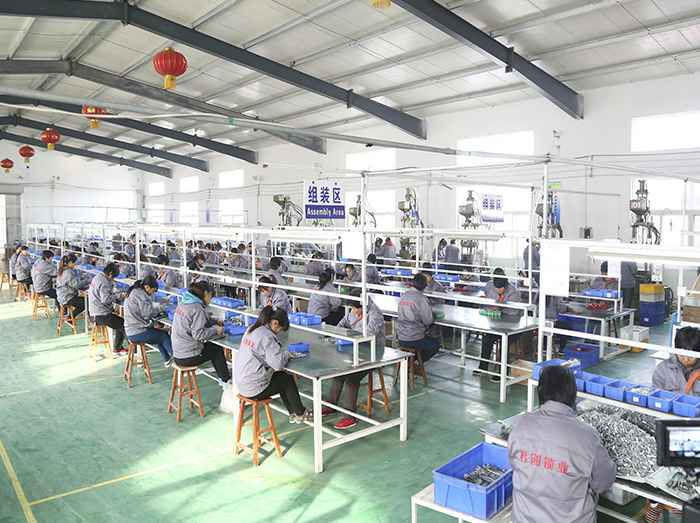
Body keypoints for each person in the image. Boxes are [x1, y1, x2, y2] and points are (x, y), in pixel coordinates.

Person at [508, 365, 616, 523]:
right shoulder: (587, 437)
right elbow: (603, 483)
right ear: (573, 395)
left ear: (540, 392)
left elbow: (514, 464)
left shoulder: (520, 424)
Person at [323, 288, 386, 429]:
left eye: (356, 309)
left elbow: (368, 335)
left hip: (373, 352)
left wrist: (350, 334)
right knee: (338, 371)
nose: (354, 312)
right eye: (352, 309)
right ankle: (331, 405)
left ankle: (350, 417)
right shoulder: (354, 310)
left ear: (363, 305)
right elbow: (342, 323)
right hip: (355, 350)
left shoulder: (375, 314)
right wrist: (335, 333)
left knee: (352, 378)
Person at [234, 306, 311, 423]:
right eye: (280, 329)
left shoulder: (252, 329)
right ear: (275, 323)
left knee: (281, 377)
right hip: (253, 388)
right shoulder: (267, 336)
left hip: (241, 384)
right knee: (286, 379)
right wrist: (287, 354)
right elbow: (278, 364)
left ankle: (293, 413)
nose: (279, 332)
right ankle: (300, 412)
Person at [171, 281, 230, 382]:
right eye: (210, 297)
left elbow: (196, 320)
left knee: (211, 347)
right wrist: (215, 329)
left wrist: (214, 321)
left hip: (177, 353)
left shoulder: (184, 302)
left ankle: (223, 377)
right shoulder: (197, 308)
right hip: (188, 356)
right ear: (206, 293)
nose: (210, 300)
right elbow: (199, 335)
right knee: (216, 349)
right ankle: (226, 380)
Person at [475, 268, 523, 382]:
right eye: (496, 287)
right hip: (495, 323)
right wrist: (485, 304)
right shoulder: (489, 285)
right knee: (486, 338)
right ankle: (483, 367)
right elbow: (485, 300)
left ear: (506, 285)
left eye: (501, 288)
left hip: (513, 326)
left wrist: (500, 308)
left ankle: (502, 372)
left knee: (504, 342)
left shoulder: (513, 292)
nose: (498, 290)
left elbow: (514, 312)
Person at [123, 275, 173, 366]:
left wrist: (164, 301)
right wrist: (160, 308)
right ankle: (178, 360)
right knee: (163, 336)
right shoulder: (141, 295)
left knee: (159, 333)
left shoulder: (136, 291)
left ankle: (167, 359)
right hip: (136, 332)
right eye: (153, 291)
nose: (152, 293)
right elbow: (147, 313)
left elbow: (149, 303)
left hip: (131, 329)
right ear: (147, 287)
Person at [397, 273, 440, 362]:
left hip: (401, 337)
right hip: (414, 338)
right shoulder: (421, 298)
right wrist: (433, 316)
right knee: (435, 344)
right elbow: (428, 321)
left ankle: (410, 361)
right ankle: (417, 363)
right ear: (424, 286)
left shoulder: (403, 295)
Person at [88, 262, 127, 355]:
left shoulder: (98, 277)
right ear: (110, 274)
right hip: (100, 315)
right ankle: (134, 349)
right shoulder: (104, 282)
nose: (113, 279)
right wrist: (119, 296)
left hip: (94, 312)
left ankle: (118, 347)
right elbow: (105, 300)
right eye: (113, 277)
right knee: (124, 324)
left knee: (119, 322)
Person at [653, 327, 700, 394]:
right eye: (682, 355)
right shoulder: (663, 369)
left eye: (691, 356)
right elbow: (655, 394)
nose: (686, 359)